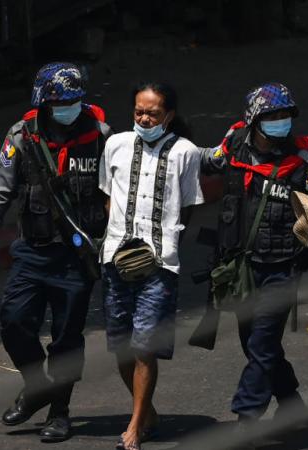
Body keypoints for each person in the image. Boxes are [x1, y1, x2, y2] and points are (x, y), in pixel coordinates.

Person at [0, 62, 112, 442]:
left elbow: (113, 193)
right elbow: (0, 189)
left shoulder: (101, 136)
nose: (66, 107)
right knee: (14, 321)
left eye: (72, 101)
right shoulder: (22, 136)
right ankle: (38, 386)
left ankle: (60, 411)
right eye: (58, 102)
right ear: (42, 102)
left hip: (76, 258)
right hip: (32, 252)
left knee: (67, 338)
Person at [199, 82, 308, 443]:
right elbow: (206, 161)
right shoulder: (234, 145)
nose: (280, 122)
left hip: (282, 265)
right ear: (254, 120)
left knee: (262, 342)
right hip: (240, 265)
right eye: (272, 116)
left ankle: (247, 418)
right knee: (255, 344)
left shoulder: (305, 158)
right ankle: (293, 406)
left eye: (285, 116)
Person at [100, 82, 205, 450]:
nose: (145, 118)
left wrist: (167, 239)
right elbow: (109, 196)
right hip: (115, 259)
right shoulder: (115, 144)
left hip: (160, 264)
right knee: (122, 347)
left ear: (169, 116)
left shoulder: (185, 152)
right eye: (139, 112)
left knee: (144, 346)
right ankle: (147, 413)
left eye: (153, 113)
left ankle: (134, 426)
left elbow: (188, 204)